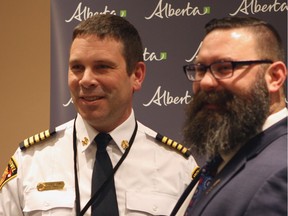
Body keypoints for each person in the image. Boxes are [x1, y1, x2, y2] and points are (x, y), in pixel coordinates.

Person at [0, 14, 197, 216]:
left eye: (102, 67)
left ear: (137, 75)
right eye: (77, 67)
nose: (86, 80)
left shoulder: (178, 169)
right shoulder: (31, 161)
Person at [172, 16, 287, 215]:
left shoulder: (281, 171)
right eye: (200, 69)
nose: (206, 82)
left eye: (225, 68)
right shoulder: (224, 159)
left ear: (274, 77)